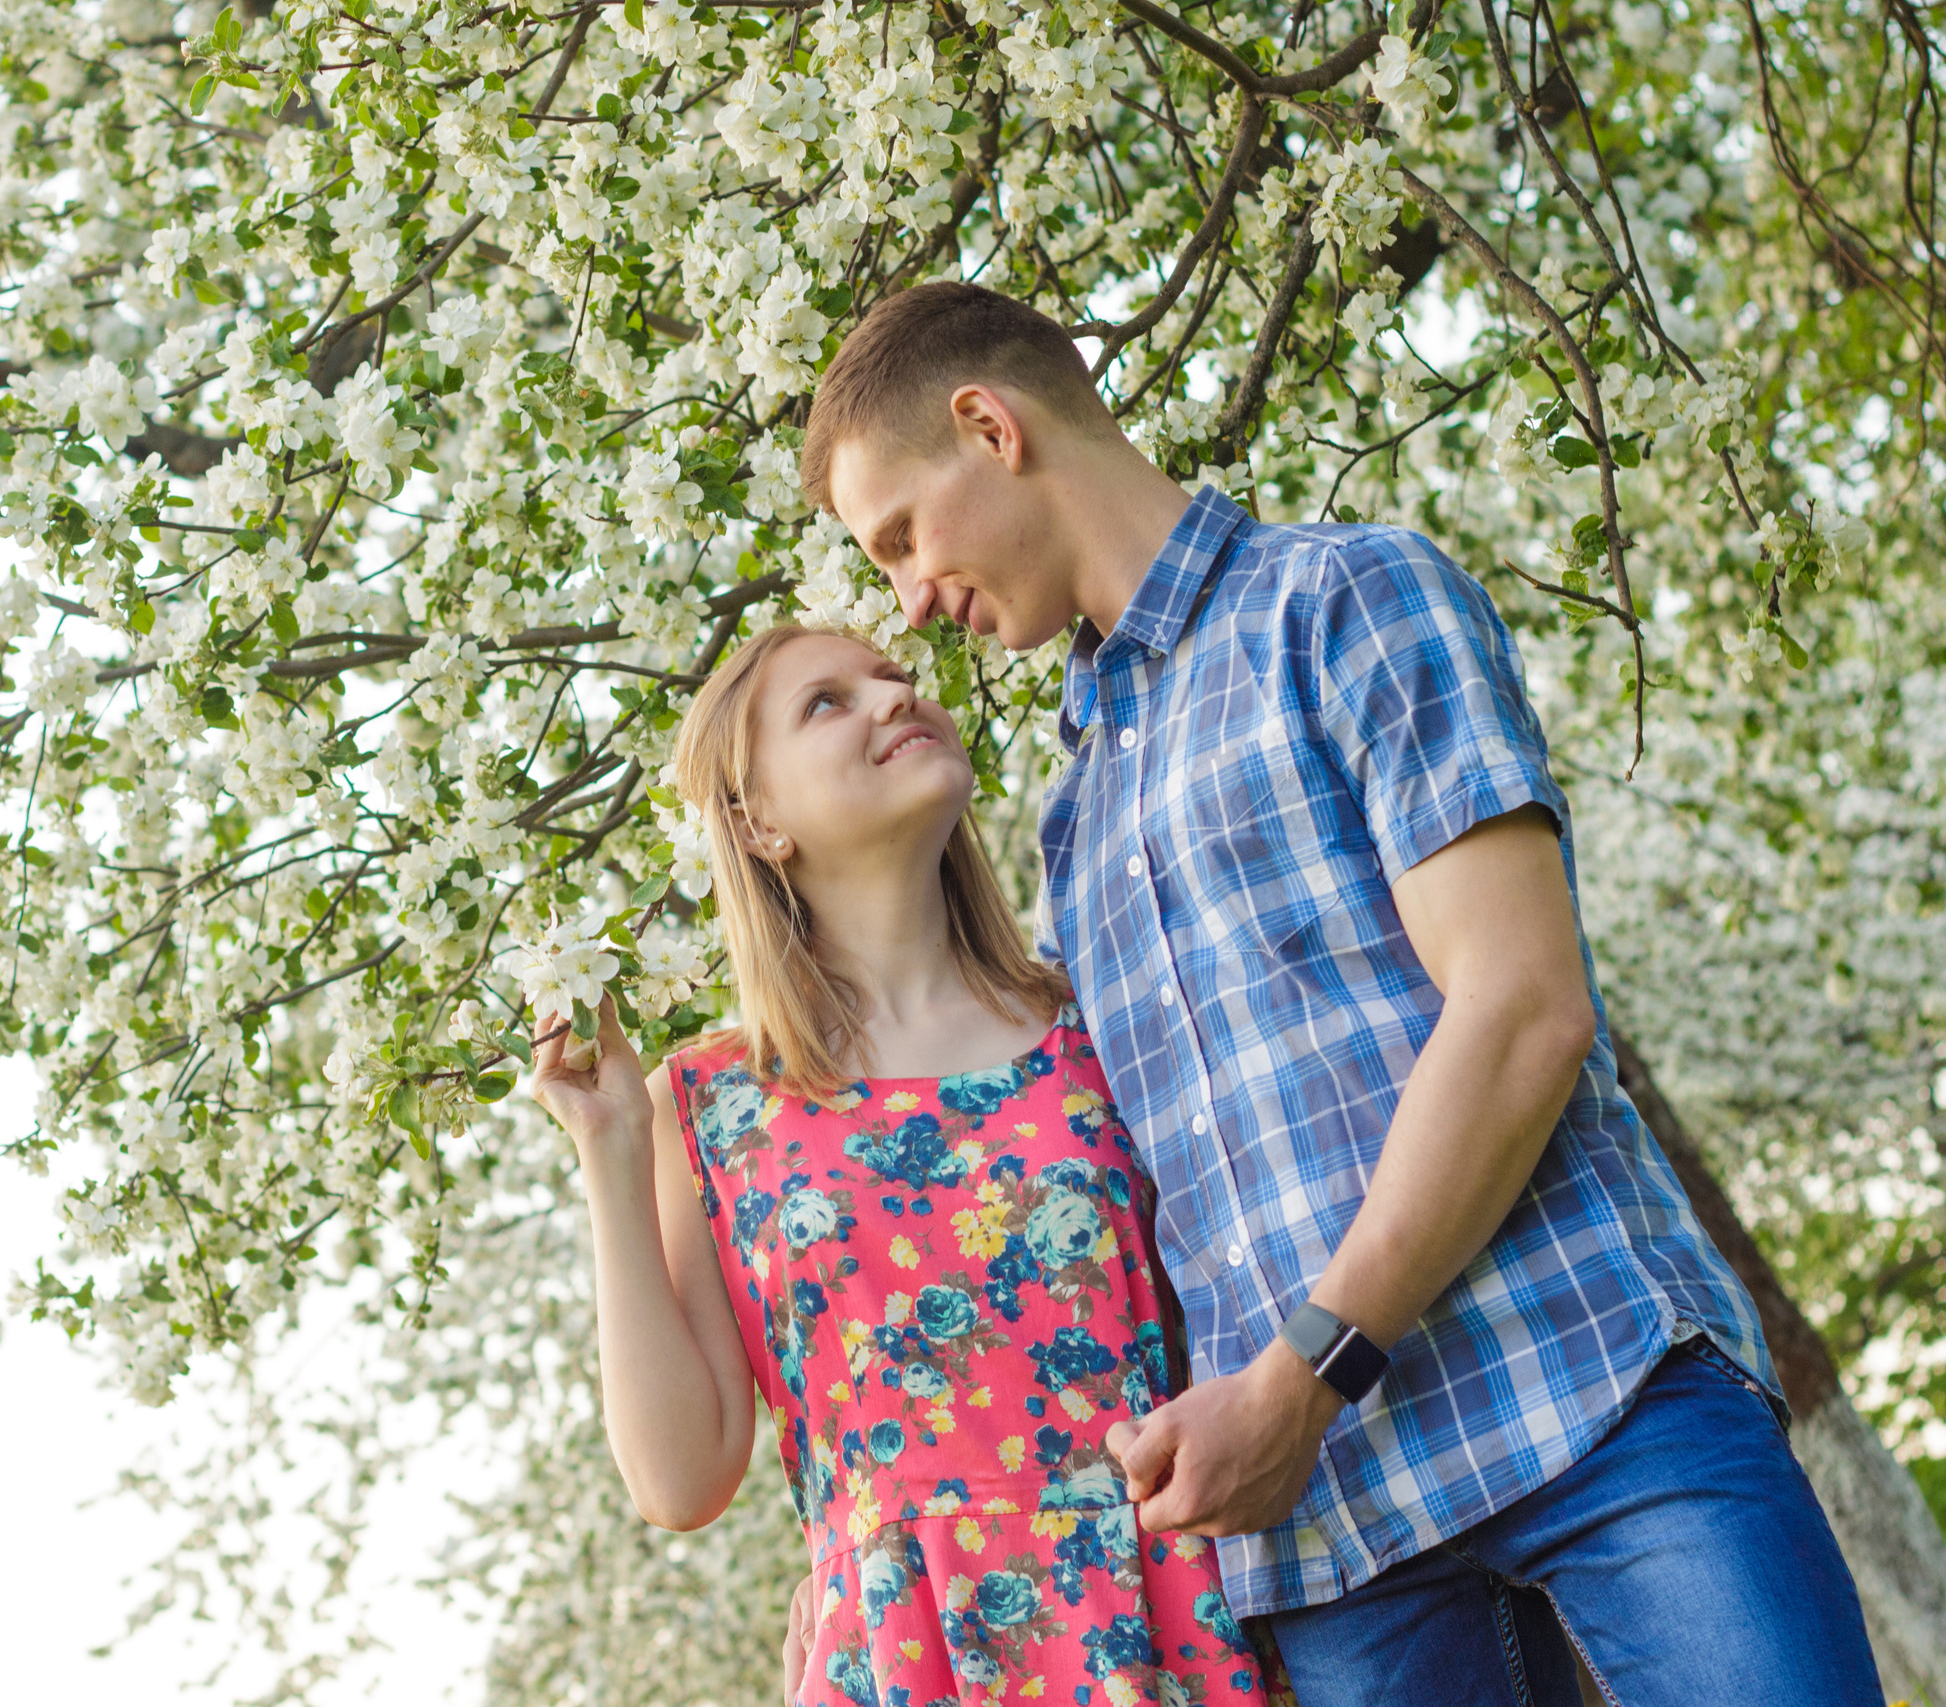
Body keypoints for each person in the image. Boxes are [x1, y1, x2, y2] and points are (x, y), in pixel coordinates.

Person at [787, 280, 1885, 1706]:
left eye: (900, 537)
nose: (912, 600)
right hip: (1339, 1544)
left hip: (1588, 1386)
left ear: (988, 427)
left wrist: (1306, 1373)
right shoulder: (1075, 819)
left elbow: (1522, 1003)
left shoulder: (1346, 597)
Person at [529, 623, 1292, 1705]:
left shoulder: (1098, 1022)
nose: (893, 697)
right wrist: (608, 1150)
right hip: (902, 1649)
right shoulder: (708, 1105)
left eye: (893, 677)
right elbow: (679, 1476)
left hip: (1162, 1615)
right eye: (827, 703)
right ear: (756, 823)